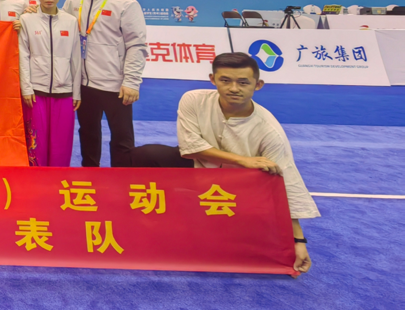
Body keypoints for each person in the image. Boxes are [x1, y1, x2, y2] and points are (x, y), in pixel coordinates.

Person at [131, 52, 318, 276]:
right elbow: (190, 147)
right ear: (213, 80)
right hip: (196, 169)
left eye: (243, 82)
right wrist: (243, 160)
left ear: (258, 85)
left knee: (238, 239)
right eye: (225, 80)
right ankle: (141, 217)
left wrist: (298, 240)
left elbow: (284, 183)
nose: (233, 88)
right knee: (145, 155)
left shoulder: (269, 130)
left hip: (236, 190)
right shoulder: (194, 100)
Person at [62, 0, 147, 167]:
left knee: (122, 136)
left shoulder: (126, 4)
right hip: (83, 83)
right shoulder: (73, 0)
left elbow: (136, 45)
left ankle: (122, 177)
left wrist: (131, 81)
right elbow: (59, 26)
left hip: (115, 84)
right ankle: (90, 173)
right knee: (88, 132)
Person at [18, 0, 81, 167]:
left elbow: (75, 57)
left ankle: (59, 178)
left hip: (65, 92)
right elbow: (23, 55)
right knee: (36, 142)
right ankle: (36, 178)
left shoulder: (70, 21)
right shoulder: (27, 20)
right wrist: (26, 88)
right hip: (36, 92)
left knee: (61, 143)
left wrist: (76, 91)